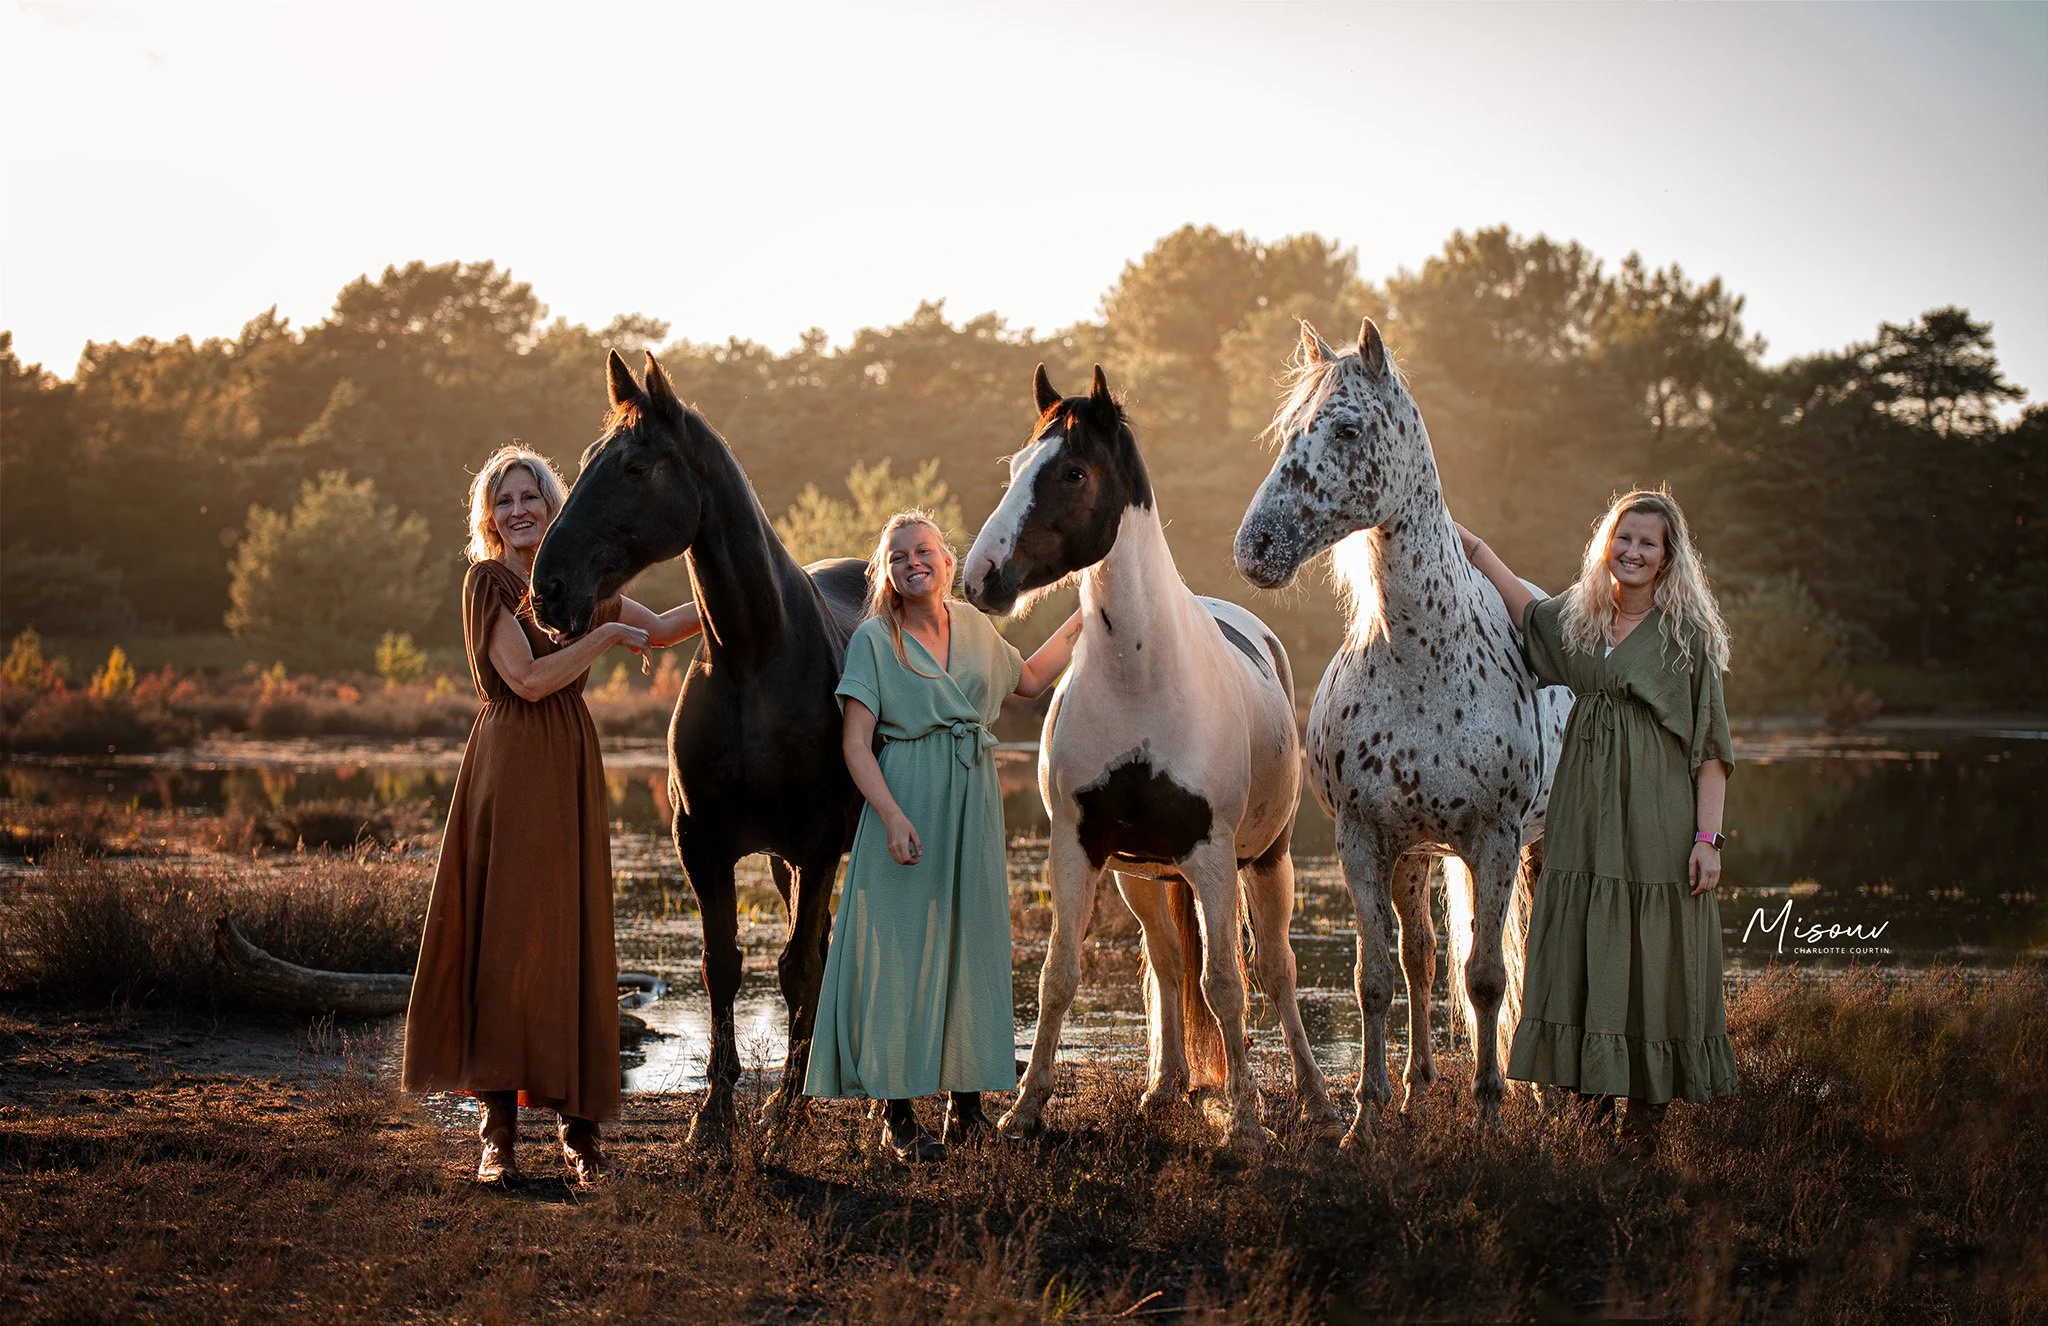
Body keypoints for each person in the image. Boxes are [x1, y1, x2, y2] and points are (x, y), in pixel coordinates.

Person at [401, 443, 702, 1184]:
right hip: (510, 760)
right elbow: (529, 679)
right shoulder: (490, 582)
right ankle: (497, 1131)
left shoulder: (580, 579)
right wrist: (602, 637)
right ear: (490, 517)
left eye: (529, 495)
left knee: (568, 935)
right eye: (503, 501)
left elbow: (662, 626)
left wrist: (754, 587)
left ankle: (579, 1133)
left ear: (553, 503)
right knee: (504, 935)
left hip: (570, 760)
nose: (518, 509)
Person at [1456, 488, 1736, 1155]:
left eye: (1649, 543)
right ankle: (1590, 1122)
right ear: (1607, 545)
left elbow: (1711, 754)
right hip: (1582, 819)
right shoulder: (1582, 624)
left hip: (1657, 823)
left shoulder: (1685, 642)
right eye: (1625, 538)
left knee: (1650, 956)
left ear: (1668, 559)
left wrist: (1707, 841)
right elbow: (1527, 614)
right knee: (1583, 949)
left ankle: (1642, 1134)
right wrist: (1473, 548)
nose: (1634, 552)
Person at [804, 511, 1083, 1162]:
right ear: (889, 574)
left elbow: (1033, 679)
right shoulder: (875, 641)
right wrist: (893, 816)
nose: (913, 562)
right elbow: (854, 745)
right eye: (899, 556)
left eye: (924, 550)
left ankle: (966, 1109)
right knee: (899, 953)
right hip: (906, 794)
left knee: (972, 945)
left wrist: (1086, 611)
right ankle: (896, 1115)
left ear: (949, 563)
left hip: (973, 797)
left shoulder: (981, 631)